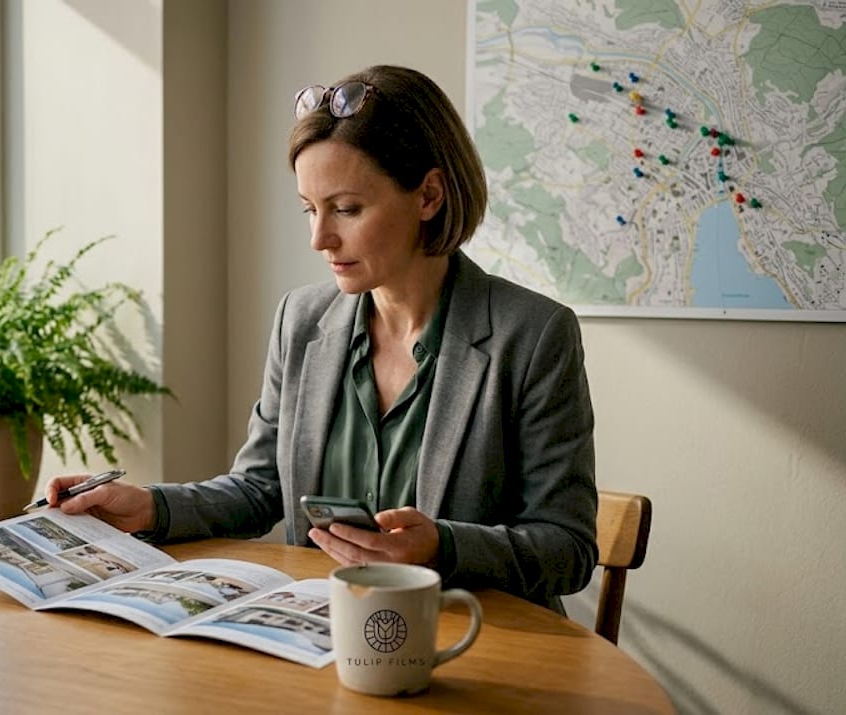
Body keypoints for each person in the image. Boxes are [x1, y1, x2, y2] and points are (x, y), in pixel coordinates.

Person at [45, 65, 598, 613]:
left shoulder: (533, 334)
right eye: (310, 209)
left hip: (474, 645)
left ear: (428, 195)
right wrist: (148, 506)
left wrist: (441, 545)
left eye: (347, 209)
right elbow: (261, 490)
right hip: (318, 634)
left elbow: (568, 548)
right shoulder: (302, 319)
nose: (319, 238)